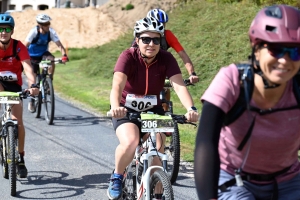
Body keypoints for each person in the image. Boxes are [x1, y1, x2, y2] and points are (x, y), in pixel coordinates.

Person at [194, 4, 300, 200]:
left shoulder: (298, 87)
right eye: (276, 49)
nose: (285, 61)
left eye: (295, 52)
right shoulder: (232, 80)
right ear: (257, 49)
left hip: (289, 181)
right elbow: (205, 142)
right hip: (235, 180)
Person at [107, 16, 199, 200]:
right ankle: (117, 176)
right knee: (131, 141)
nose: (151, 44)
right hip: (126, 109)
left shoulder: (166, 58)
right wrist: (116, 107)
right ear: (137, 40)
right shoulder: (128, 56)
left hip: (153, 110)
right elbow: (117, 85)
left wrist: (191, 108)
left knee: (158, 148)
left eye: (156, 39)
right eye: (146, 39)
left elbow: (179, 86)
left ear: (161, 41)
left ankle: (157, 195)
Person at [0, 14, 39, 178]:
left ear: (12, 31)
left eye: (7, 29)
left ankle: (20, 157)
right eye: (0, 29)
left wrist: (33, 85)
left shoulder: (18, 47)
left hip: (14, 86)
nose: (3, 32)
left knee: (18, 122)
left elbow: (28, 68)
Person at [24, 14, 69, 113]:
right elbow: (25, 45)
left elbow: (59, 45)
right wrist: (23, 58)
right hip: (32, 55)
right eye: (45, 24)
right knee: (33, 78)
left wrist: (64, 55)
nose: (48, 25)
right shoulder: (34, 32)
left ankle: (49, 80)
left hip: (43, 54)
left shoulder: (51, 32)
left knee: (51, 59)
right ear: (40, 25)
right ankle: (31, 101)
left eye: (48, 23)